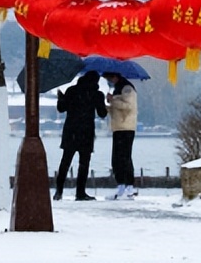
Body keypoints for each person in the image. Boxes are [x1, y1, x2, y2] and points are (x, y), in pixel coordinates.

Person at [54, 70, 107, 201]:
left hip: (71, 130)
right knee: (84, 163)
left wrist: (60, 98)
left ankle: (59, 191)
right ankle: (80, 192)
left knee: (65, 161)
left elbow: (61, 109)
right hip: (86, 132)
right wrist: (104, 102)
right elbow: (102, 114)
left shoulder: (72, 91)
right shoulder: (97, 94)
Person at [105, 73, 138, 199]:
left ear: (116, 77)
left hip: (126, 127)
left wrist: (113, 100)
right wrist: (108, 106)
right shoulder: (117, 89)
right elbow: (117, 108)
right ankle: (120, 184)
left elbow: (128, 106)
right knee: (116, 158)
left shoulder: (127, 89)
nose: (109, 81)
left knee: (125, 157)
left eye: (110, 78)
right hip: (117, 127)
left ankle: (129, 186)